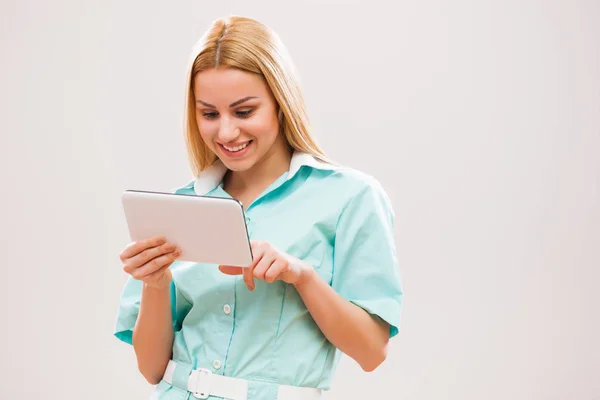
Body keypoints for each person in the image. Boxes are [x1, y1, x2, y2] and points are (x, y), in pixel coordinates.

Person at [114, 15, 403, 400]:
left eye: (244, 111)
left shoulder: (351, 197)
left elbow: (371, 351)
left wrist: (302, 277)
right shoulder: (181, 206)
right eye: (210, 114)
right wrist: (155, 283)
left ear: (281, 102)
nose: (227, 132)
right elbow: (151, 369)